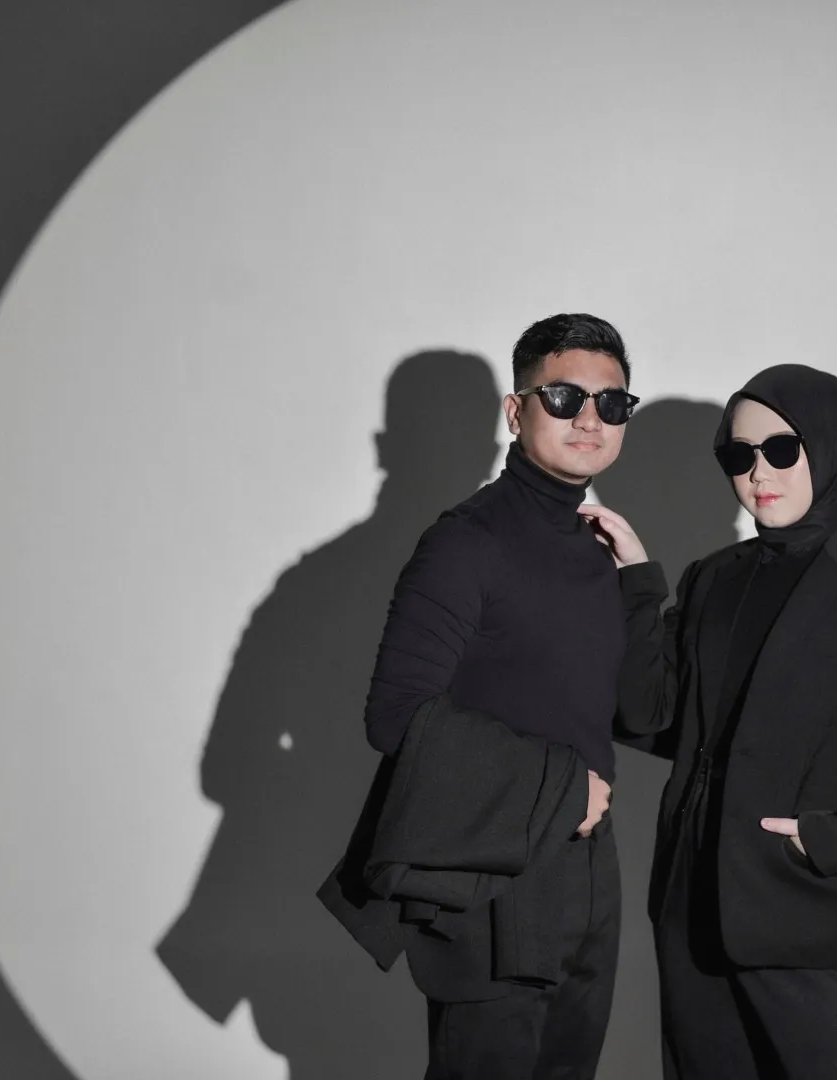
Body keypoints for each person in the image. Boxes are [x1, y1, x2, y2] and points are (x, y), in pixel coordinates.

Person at [582, 364, 837, 1080]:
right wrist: (635, 583)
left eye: (782, 450)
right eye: (739, 455)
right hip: (695, 918)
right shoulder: (713, 578)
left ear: (830, 446)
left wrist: (833, 839)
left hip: (821, 919)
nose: (758, 473)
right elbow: (647, 714)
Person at [318, 313, 638, 1080]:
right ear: (515, 411)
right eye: (563, 398)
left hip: (589, 875)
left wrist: (641, 580)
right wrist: (562, 785)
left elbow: (633, 711)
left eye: (611, 403)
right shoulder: (466, 542)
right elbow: (395, 714)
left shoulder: (599, 548)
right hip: (489, 874)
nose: (589, 419)